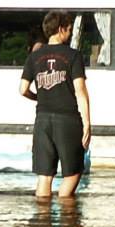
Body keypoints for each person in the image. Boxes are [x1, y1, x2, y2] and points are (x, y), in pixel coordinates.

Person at [20, 10, 90, 200]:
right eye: (68, 29)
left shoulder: (34, 57)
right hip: (67, 120)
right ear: (61, 30)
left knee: (44, 176)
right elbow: (80, 91)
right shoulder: (73, 56)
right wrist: (87, 124)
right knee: (73, 172)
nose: (69, 33)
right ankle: (67, 216)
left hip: (42, 121)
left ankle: (43, 222)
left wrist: (39, 97)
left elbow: (22, 89)